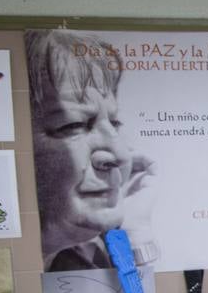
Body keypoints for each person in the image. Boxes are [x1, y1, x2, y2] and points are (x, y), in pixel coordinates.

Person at [26, 30, 158, 271]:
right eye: (74, 125)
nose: (120, 154)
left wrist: (135, 235)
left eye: (114, 123)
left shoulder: (88, 255)